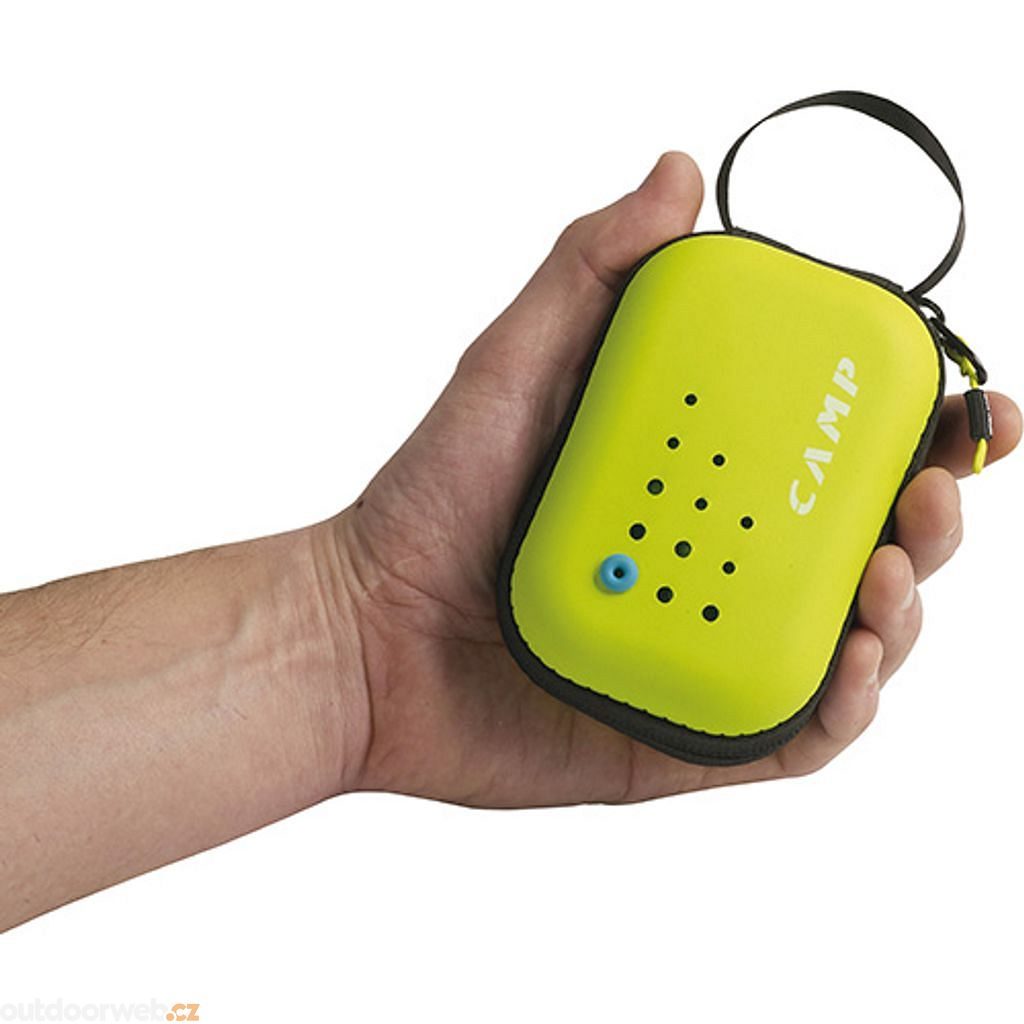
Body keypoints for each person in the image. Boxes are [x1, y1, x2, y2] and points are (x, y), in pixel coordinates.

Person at [0, 152, 1018, 932]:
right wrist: (359, 633)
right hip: (559, 628)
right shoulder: (845, 328)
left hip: (611, 639)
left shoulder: (752, 292)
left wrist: (352, 647)